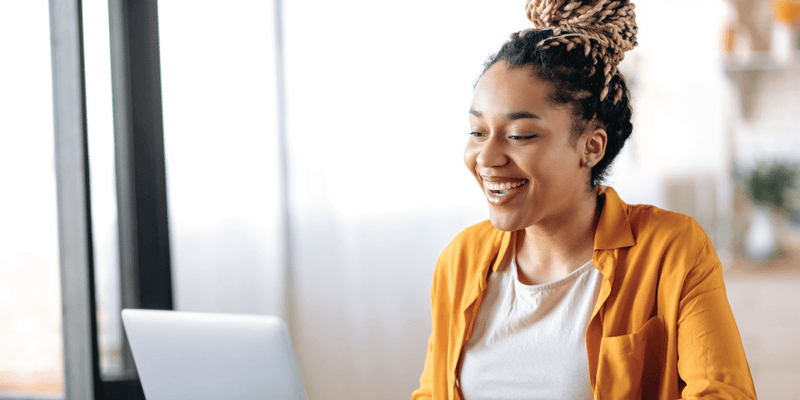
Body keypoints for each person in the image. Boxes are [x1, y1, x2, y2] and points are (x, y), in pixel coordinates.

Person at [412, 0, 757, 399]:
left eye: (520, 135)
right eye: (477, 132)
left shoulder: (671, 250)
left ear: (590, 147)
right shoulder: (461, 259)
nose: (486, 158)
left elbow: (722, 392)